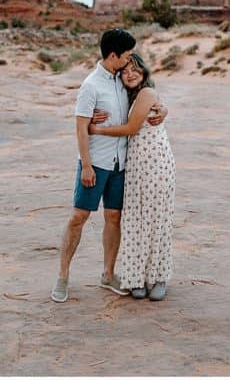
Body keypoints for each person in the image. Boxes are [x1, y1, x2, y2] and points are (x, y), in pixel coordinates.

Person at [50, 28, 165, 303]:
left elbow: (147, 98)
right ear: (113, 55)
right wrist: (86, 166)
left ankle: (108, 274)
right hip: (96, 164)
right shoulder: (91, 86)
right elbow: (80, 129)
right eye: (125, 56)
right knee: (79, 217)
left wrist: (164, 109)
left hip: (121, 165)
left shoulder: (122, 81)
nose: (129, 61)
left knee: (113, 218)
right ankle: (63, 277)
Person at [87, 52, 174, 301]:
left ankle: (158, 277)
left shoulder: (147, 93)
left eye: (135, 69)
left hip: (156, 163)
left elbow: (131, 128)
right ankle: (137, 277)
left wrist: (96, 129)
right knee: (135, 220)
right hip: (135, 165)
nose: (130, 74)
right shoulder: (127, 95)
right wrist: (93, 115)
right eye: (125, 71)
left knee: (157, 219)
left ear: (144, 71)